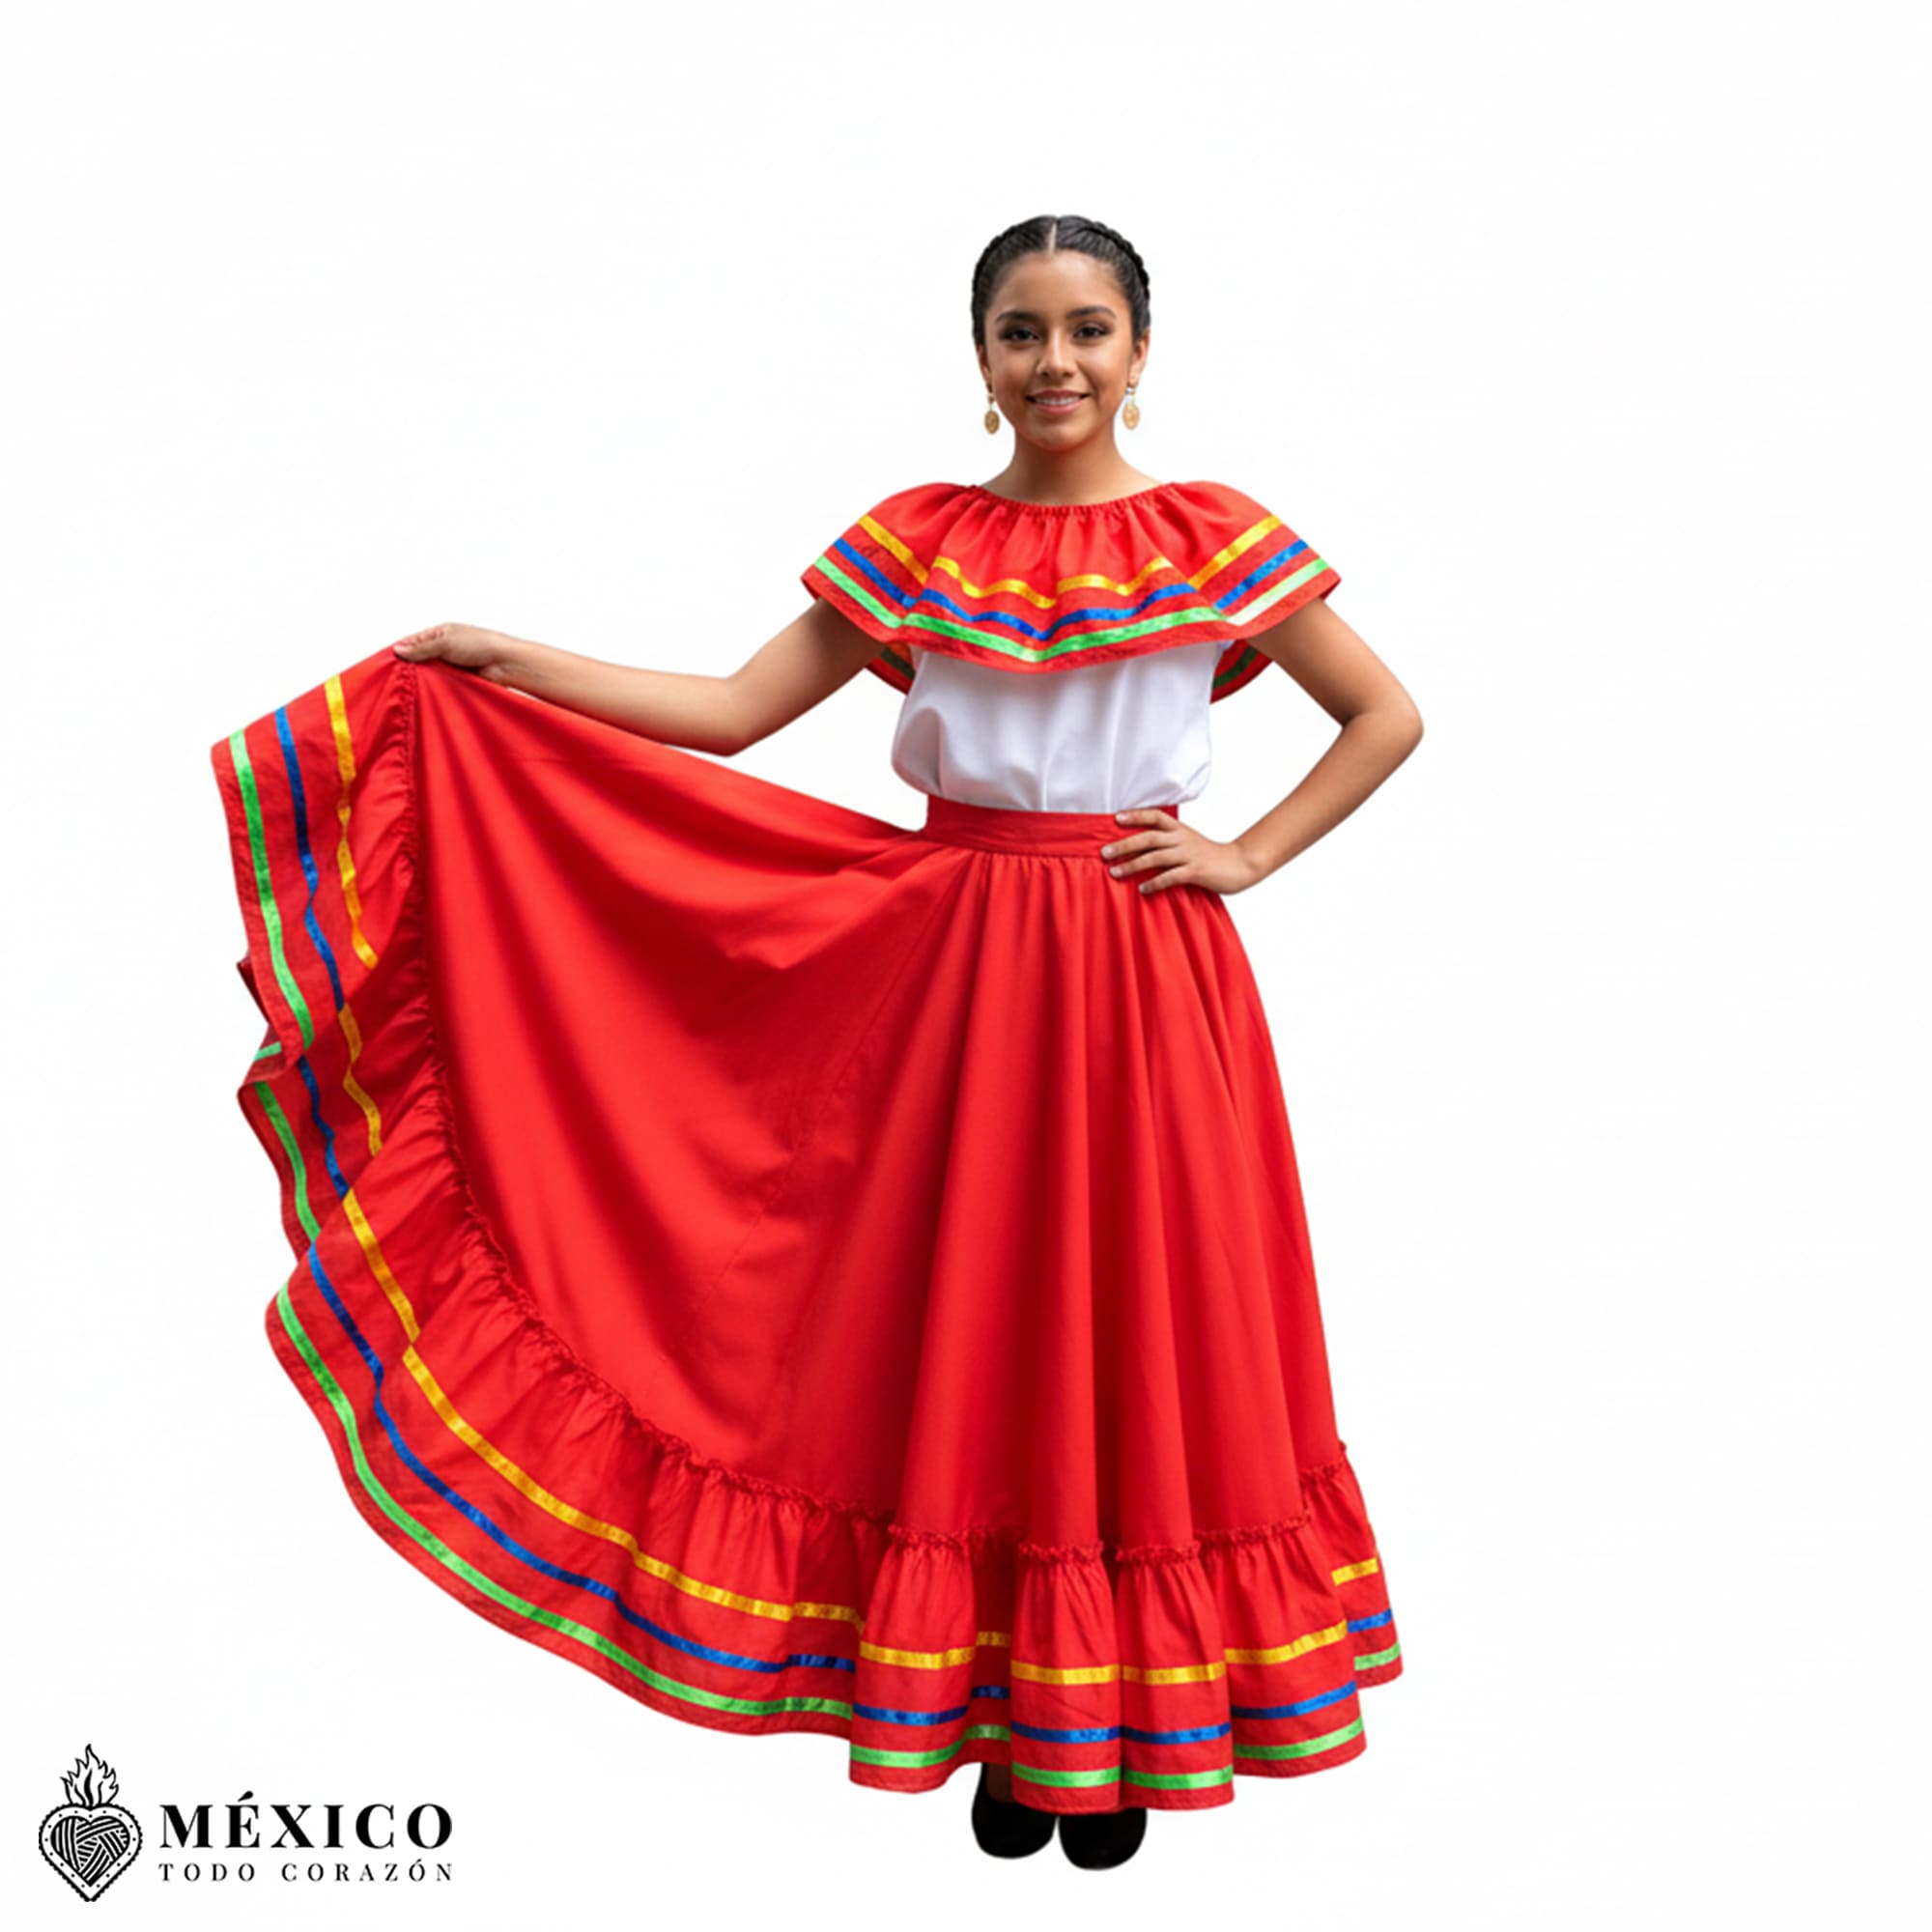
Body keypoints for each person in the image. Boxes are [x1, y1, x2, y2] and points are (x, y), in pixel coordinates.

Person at [210, 213, 1423, 1873]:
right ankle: (1003, 1722)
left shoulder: (1218, 542)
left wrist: (1245, 854)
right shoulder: (917, 543)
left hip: (1147, 977)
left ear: (1144, 350)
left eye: (1085, 329)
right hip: (951, 970)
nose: (1053, 361)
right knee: (962, 1328)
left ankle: (1114, 1730)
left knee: (1132, 1322)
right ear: (979, 358)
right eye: (1018, 331)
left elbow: (1387, 714)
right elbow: (727, 713)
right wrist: (509, 663)